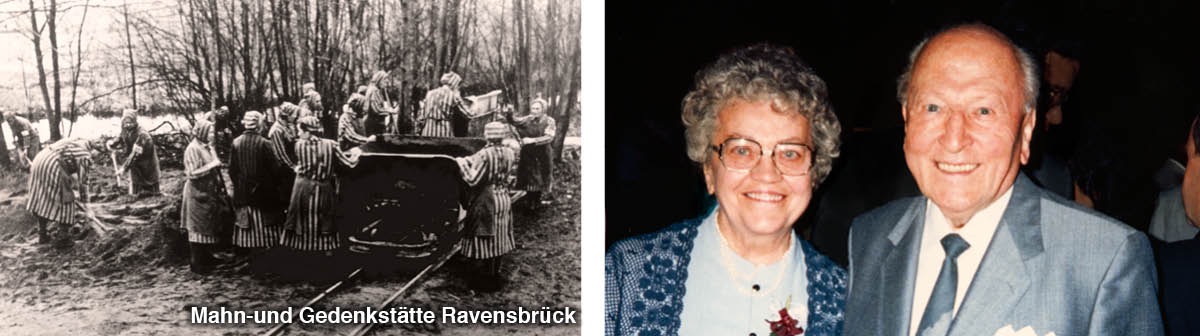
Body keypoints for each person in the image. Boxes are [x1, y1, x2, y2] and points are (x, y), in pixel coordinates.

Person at [843, 24, 1161, 336]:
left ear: (1026, 130)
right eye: (933, 107)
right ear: (906, 118)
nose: (954, 140)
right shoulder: (870, 236)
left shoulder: (1104, 260)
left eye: (983, 111)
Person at [606, 44, 846, 336]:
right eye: (742, 150)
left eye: (790, 153)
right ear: (709, 169)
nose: (767, 174)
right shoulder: (625, 274)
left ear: (814, 172)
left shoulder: (847, 301)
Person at [279, 116, 361, 278]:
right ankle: (323, 254)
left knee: (302, 218)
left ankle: (303, 253)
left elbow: (303, 163)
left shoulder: (298, 145)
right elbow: (349, 164)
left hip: (302, 188)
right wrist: (356, 154)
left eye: (300, 130)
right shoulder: (331, 145)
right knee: (323, 219)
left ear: (307, 131)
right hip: (323, 188)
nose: (298, 133)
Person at [454, 121, 518, 291]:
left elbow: (473, 180)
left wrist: (461, 163)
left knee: (481, 236)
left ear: (486, 135)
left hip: (486, 200)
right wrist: (470, 160)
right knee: (499, 237)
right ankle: (494, 277)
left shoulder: (484, 154)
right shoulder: (509, 152)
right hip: (503, 198)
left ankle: (479, 282)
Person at [229, 111, 283, 272]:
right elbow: (275, 169)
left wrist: (240, 185)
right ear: (259, 125)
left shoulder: (236, 142)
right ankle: (267, 260)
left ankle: (252, 258)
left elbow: (232, 170)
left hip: (243, 194)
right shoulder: (265, 143)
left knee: (248, 227)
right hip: (264, 194)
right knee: (267, 227)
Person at [182, 122, 230, 274]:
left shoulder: (207, 147)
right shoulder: (193, 149)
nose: (211, 135)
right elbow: (192, 173)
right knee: (197, 227)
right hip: (197, 192)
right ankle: (196, 263)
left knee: (207, 224)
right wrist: (212, 165)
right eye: (209, 132)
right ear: (201, 132)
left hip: (208, 191)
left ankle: (207, 256)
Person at [27, 137, 92, 248]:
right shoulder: (84, 154)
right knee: (66, 198)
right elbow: (83, 182)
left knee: (42, 197)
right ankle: (63, 237)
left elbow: (73, 176)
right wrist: (88, 208)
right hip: (52, 164)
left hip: (39, 160)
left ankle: (42, 234)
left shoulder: (71, 143)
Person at [514, 98, 557, 206]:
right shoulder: (528, 119)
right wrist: (509, 114)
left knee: (542, 175)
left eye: (537, 108)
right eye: (533, 108)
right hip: (529, 154)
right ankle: (530, 201)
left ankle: (538, 200)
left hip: (543, 154)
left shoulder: (549, 121)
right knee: (529, 176)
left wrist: (532, 140)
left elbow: (549, 137)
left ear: (543, 109)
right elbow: (515, 122)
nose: (534, 111)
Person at [110, 109, 161, 196]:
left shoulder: (142, 135)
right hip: (135, 164)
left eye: (130, 122)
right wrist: (112, 143)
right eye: (126, 122)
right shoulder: (125, 129)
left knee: (151, 188)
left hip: (147, 163)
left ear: (135, 121)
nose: (127, 125)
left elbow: (135, 155)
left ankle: (155, 196)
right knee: (135, 184)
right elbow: (121, 137)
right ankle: (134, 196)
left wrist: (123, 168)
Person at [418, 72, 472, 137]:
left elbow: (421, 117)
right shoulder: (453, 95)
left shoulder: (429, 93)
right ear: (454, 84)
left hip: (427, 134)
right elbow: (468, 114)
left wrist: (418, 131)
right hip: (444, 134)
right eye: (458, 85)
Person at [269, 102, 301, 208]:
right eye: (294, 115)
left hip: (290, 167)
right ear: (287, 115)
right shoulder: (277, 130)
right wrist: (293, 167)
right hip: (284, 170)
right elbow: (280, 154)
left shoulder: (286, 127)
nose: (296, 117)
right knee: (287, 197)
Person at [364, 71, 402, 136]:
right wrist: (391, 110)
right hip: (373, 125)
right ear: (379, 79)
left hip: (374, 124)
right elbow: (377, 110)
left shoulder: (376, 90)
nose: (387, 81)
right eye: (385, 79)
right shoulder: (374, 90)